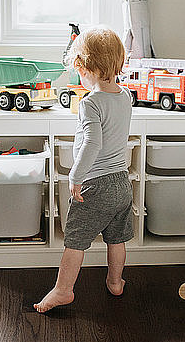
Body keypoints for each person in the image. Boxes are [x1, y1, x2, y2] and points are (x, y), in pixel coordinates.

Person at [34, 27, 133, 313]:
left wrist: (75, 176)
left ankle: (63, 290)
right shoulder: (125, 96)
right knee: (117, 237)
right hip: (121, 183)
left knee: (75, 241)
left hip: (96, 184)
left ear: (85, 68)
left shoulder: (91, 103)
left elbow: (92, 142)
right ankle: (116, 281)